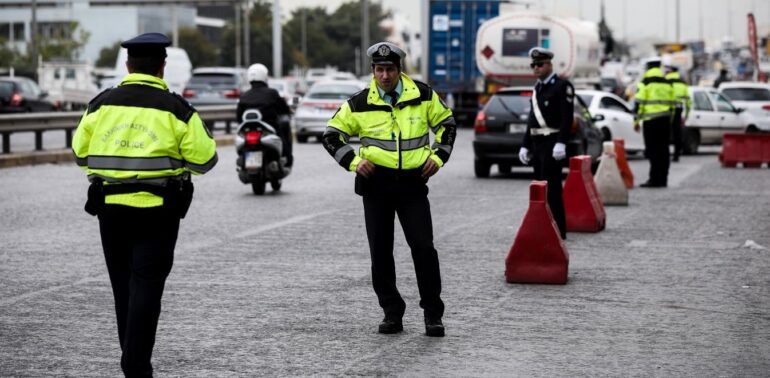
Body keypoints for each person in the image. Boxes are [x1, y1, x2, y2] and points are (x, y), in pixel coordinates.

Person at [72, 32, 218, 377]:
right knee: (147, 287)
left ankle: (133, 359)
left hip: (110, 209)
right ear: (162, 67)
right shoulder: (177, 108)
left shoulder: (101, 104)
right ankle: (136, 364)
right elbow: (205, 160)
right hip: (158, 211)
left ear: (128, 65)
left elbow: (80, 154)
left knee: (123, 288)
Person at [321, 42, 456, 337]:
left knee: (423, 247)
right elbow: (331, 135)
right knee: (380, 252)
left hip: (412, 183)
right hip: (376, 185)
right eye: (379, 69)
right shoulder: (359, 102)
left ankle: (433, 314)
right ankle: (392, 313)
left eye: (390, 69)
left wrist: (438, 157)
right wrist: (353, 162)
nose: (384, 75)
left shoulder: (423, 95)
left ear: (399, 69)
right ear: (373, 70)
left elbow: (447, 125)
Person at [518, 47, 573, 240]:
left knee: (553, 189)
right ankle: (543, 227)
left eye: (540, 64)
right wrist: (525, 144)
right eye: (533, 65)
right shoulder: (538, 88)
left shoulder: (562, 86)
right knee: (539, 187)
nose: (536, 67)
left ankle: (558, 230)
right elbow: (532, 119)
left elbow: (567, 118)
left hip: (552, 142)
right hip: (537, 144)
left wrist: (561, 143)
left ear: (550, 65)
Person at [237, 63, 293, 167]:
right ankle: (287, 159)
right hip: (268, 128)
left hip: (247, 130)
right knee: (284, 130)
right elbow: (284, 109)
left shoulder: (244, 95)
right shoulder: (272, 93)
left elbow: (238, 117)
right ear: (264, 76)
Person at [634, 57, 674, 188]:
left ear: (648, 67)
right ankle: (663, 179)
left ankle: (654, 179)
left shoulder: (645, 82)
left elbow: (639, 103)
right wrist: (670, 120)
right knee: (664, 150)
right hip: (665, 121)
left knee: (653, 150)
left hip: (650, 122)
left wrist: (636, 120)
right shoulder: (667, 82)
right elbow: (672, 105)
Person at [665, 65, 691, 162]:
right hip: (678, 110)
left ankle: (666, 154)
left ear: (670, 71)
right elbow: (688, 101)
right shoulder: (683, 84)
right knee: (677, 133)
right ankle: (676, 155)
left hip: (667, 110)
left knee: (665, 133)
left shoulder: (665, 81)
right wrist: (687, 114)